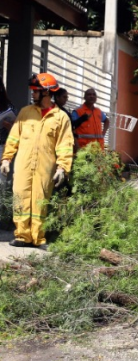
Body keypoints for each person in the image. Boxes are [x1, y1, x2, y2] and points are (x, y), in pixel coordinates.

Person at [0, 73, 74, 248]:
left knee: (40, 199)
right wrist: (6, 159)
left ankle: (38, 238)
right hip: (23, 164)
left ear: (47, 92)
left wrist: (62, 168)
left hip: (45, 165)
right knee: (21, 196)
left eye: (36, 91)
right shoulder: (26, 112)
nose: (33, 94)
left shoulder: (60, 117)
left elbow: (65, 144)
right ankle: (22, 236)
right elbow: (14, 138)